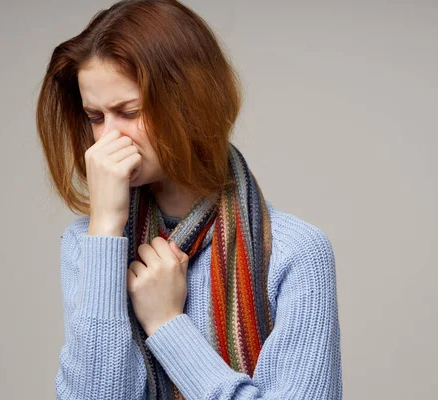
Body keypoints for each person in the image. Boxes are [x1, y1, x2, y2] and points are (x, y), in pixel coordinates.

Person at [35, 0, 342, 398]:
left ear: (190, 103)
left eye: (129, 111)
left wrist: (167, 326)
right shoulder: (90, 245)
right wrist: (107, 231)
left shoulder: (293, 252)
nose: (108, 138)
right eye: (96, 118)